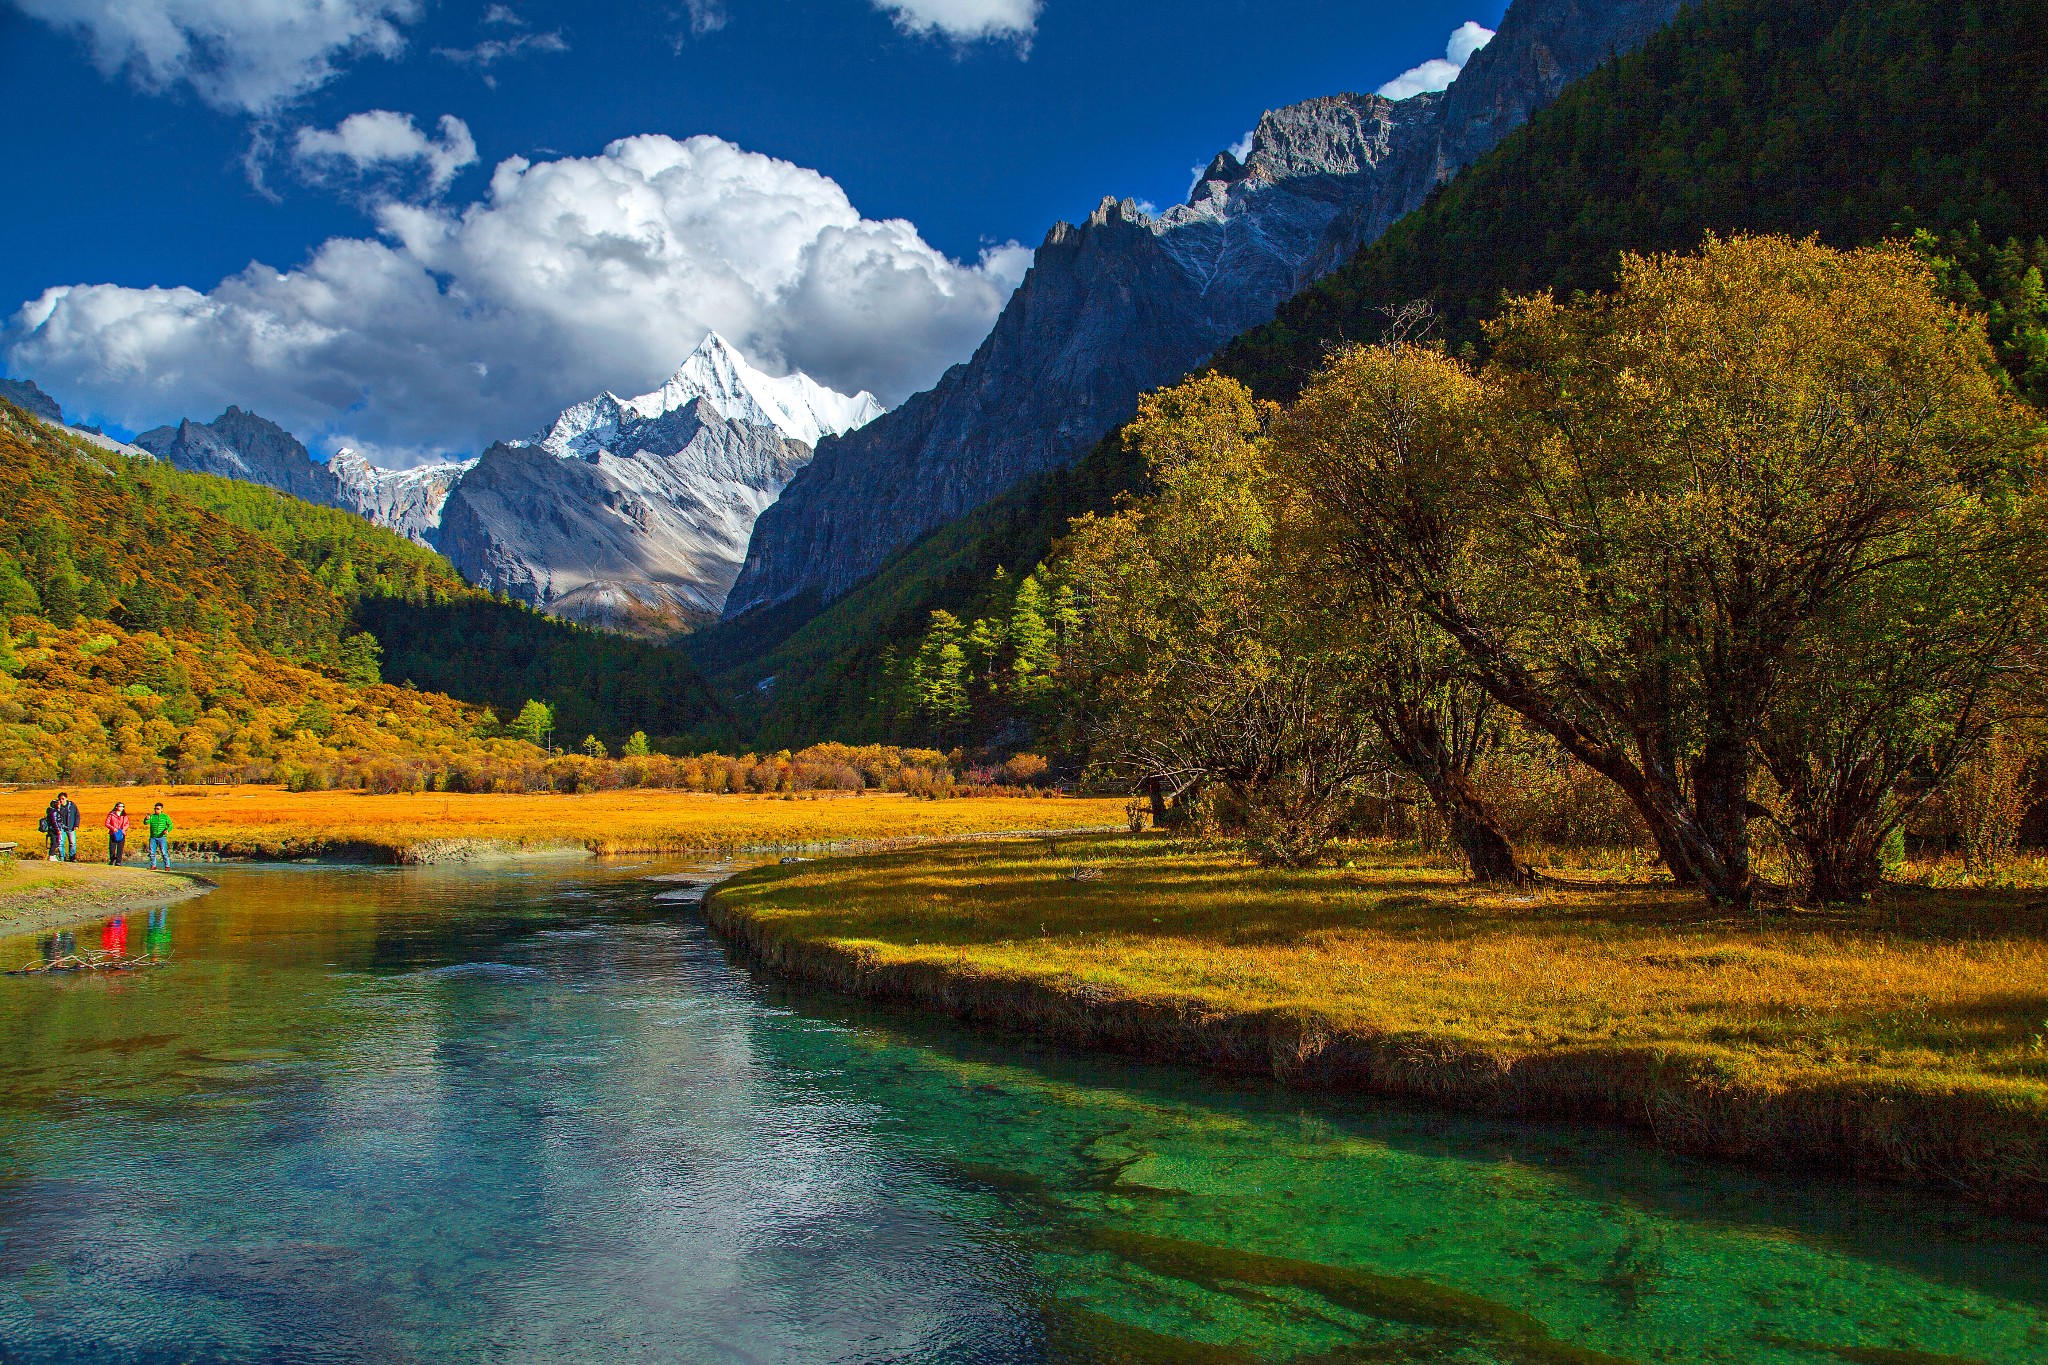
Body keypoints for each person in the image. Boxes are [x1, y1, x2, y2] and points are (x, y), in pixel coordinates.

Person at [145, 802, 174, 869]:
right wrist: (147, 818)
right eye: (155, 809)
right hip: (153, 837)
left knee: (164, 852)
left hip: (162, 837)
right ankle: (153, 866)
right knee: (152, 852)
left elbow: (170, 825)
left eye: (158, 809)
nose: (156, 810)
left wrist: (167, 830)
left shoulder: (165, 817)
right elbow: (146, 823)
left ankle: (167, 866)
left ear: (161, 809)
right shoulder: (152, 816)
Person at [53, 791, 79, 862]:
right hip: (61, 828)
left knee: (72, 843)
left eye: (63, 799)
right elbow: (55, 817)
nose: (61, 800)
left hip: (70, 827)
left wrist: (76, 825)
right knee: (61, 843)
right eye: (60, 799)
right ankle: (62, 857)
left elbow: (77, 815)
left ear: (66, 798)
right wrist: (58, 808)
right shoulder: (57, 807)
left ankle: (72, 857)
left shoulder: (72, 805)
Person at [104, 801, 129, 866]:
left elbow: (127, 824)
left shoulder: (124, 816)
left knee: (120, 848)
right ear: (116, 807)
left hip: (121, 833)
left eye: (123, 806)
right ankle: (112, 859)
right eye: (120, 806)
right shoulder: (111, 814)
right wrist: (113, 828)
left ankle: (118, 861)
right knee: (112, 848)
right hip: (113, 833)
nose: (122, 808)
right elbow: (107, 823)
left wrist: (123, 830)